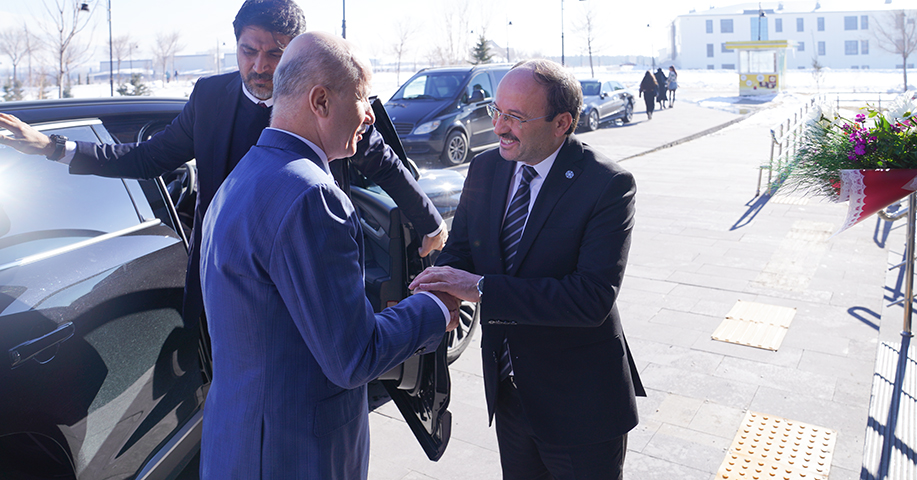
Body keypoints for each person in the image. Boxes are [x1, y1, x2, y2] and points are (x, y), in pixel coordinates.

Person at [0, 0, 446, 344]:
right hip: (222, 287)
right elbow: (148, 157)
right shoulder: (210, 98)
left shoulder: (326, 100)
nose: (260, 65)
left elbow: (382, 162)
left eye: (275, 53)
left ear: (294, 53)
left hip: (304, 287)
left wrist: (430, 222)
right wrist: (53, 148)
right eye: (249, 51)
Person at [199, 31, 460, 479]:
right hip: (294, 456)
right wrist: (434, 308)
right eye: (362, 99)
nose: (370, 116)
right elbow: (354, 357)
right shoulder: (313, 195)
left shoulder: (243, 175)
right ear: (321, 101)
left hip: (238, 444)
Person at [410, 59, 645, 480]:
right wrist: (437, 292)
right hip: (510, 395)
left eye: (515, 117)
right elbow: (461, 250)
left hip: (580, 405)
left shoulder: (607, 184)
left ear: (562, 123)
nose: (499, 127)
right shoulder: (485, 168)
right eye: (496, 111)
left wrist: (482, 288)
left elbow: (590, 298)